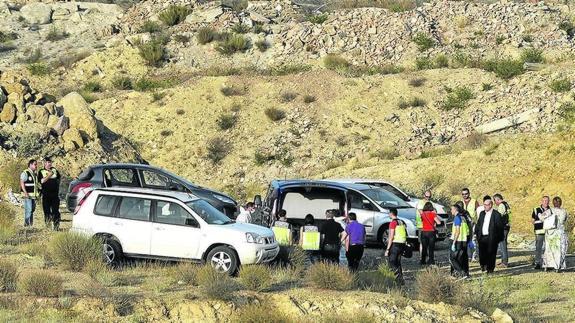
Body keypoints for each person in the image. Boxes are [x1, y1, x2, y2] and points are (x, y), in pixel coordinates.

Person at [474, 196, 504, 273]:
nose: (484, 206)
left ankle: (490, 269)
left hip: (492, 238)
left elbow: (500, 227)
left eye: (486, 205)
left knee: (491, 254)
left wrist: (497, 239)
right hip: (482, 237)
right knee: (482, 253)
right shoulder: (482, 213)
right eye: (484, 204)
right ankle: (483, 266)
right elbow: (478, 225)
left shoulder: (496, 214)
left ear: (490, 205)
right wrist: (477, 234)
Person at [540, 196, 569, 272]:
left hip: (550, 233)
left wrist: (547, 221)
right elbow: (563, 220)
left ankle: (547, 265)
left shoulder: (550, 210)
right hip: (559, 233)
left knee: (549, 249)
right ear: (561, 203)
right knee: (559, 250)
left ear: (553, 203)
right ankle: (558, 266)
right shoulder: (564, 211)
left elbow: (541, 217)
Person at [38, 157, 61, 231]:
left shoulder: (54, 170)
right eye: (48, 162)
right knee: (47, 212)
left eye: (50, 162)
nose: (50, 163)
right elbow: (42, 181)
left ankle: (56, 227)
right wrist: (49, 175)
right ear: (44, 163)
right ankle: (48, 227)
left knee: (55, 211)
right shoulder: (41, 171)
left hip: (55, 195)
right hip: (46, 195)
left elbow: (59, 178)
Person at [385, 208, 406, 284]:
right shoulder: (401, 221)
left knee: (392, 261)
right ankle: (401, 279)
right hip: (402, 243)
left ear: (391, 213)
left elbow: (391, 236)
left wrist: (387, 249)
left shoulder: (393, 223)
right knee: (398, 262)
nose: (388, 215)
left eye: (389, 213)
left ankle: (396, 277)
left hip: (395, 243)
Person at [450, 204, 470, 278]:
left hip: (458, 241)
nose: (451, 211)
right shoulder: (463, 217)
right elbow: (467, 230)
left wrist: (453, 243)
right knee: (460, 258)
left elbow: (457, 231)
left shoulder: (457, 218)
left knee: (452, 258)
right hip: (464, 240)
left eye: (451, 209)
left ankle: (462, 273)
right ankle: (462, 274)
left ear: (455, 210)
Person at [420, 201, 441, 265]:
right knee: (431, 248)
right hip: (431, 232)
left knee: (424, 247)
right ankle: (431, 261)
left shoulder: (422, 214)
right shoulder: (433, 214)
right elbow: (438, 222)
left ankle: (423, 261)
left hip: (424, 232)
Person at [531, 196, 550, 269]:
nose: (546, 202)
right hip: (539, 232)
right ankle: (538, 263)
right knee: (538, 248)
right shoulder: (536, 209)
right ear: (541, 201)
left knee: (548, 248)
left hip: (548, 232)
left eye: (547, 201)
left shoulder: (550, 210)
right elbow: (532, 220)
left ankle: (547, 263)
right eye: (544, 200)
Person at [462, 188, 480, 261]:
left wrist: (477, 222)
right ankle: (468, 256)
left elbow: (478, 212)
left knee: (473, 240)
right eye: (463, 194)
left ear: (469, 194)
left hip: (472, 223)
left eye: (466, 194)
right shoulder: (461, 202)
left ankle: (474, 256)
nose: (464, 195)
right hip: (463, 224)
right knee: (465, 240)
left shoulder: (474, 201)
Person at [20, 159, 39, 227]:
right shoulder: (25, 173)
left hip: (33, 196)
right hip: (27, 195)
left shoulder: (34, 173)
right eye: (35, 164)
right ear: (30, 165)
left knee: (32, 210)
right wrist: (25, 193)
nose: (36, 166)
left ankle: (30, 224)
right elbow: (22, 183)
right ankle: (27, 225)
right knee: (29, 209)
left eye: (36, 164)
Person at [494, 194, 511, 268]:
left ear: (497, 199)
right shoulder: (506, 204)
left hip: (503, 227)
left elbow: (499, 217)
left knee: (502, 245)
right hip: (506, 226)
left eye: (495, 201)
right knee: (503, 244)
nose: (495, 203)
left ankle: (504, 262)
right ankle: (503, 261)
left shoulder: (501, 205)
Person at [416, 191, 432, 255]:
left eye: (429, 197)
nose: (428, 198)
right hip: (421, 225)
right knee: (422, 242)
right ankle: (421, 257)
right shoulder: (421, 202)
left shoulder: (430, 203)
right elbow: (421, 212)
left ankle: (426, 256)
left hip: (428, 226)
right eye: (426, 196)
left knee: (427, 242)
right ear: (424, 196)